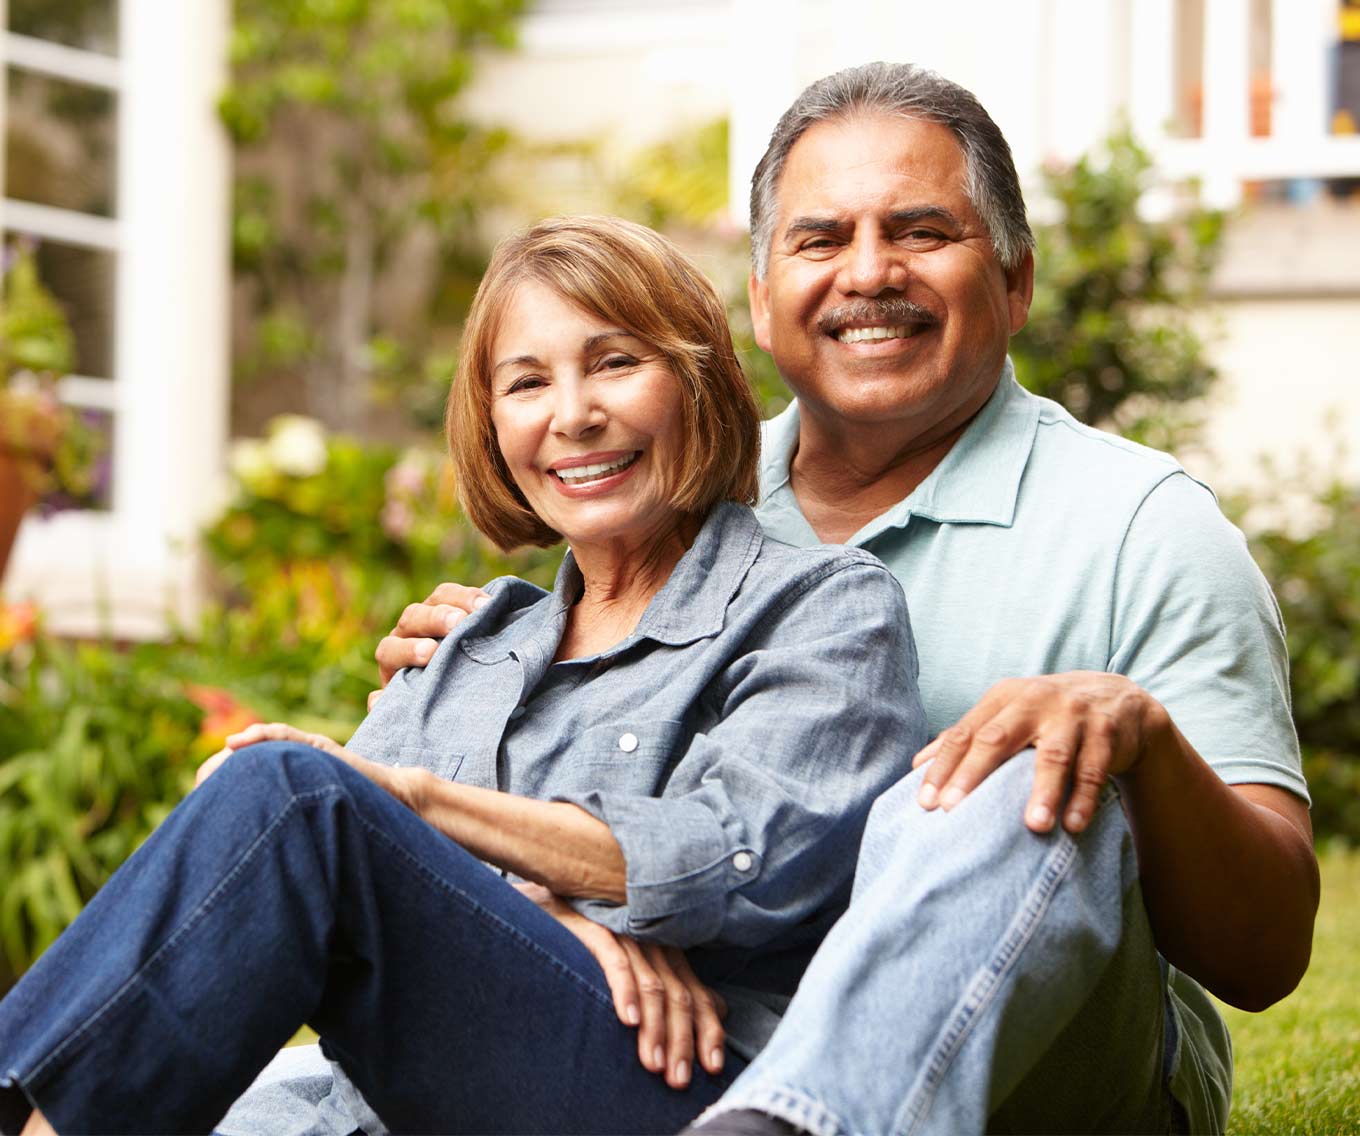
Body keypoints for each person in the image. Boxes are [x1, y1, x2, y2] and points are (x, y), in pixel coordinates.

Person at [380, 64, 1318, 1134]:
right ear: (762, 297)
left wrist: (1141, 744)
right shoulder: (660, 494)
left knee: (1014, 755)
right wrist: (485, 688)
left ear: (1014, 280)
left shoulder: (1142, 524)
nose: (869, 273)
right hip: (688, 1038)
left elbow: (1269, 949)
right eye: (820, 240)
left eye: (921, 231)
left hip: (1040, 1071)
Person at [0, 216, 927, 1136]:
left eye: (614, 363)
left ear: (697, 384)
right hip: (402, 1101)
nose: (572, 415)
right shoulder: (472, 641)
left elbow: (739, 857)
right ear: (493, 427)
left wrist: (421, 803)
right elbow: (280, 864)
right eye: (527, 383)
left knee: (298, 796)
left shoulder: (825, 607)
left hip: (672, 1079)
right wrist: (550, 915)